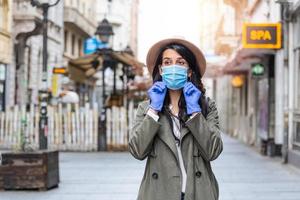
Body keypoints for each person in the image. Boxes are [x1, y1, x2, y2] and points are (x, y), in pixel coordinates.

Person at [129, 38, 223, 200]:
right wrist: (154, 111)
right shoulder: (146, 108)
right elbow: (137, 150)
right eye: (167, 62)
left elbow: (213, 151)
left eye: (180, 62)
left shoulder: (206, 106)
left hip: (199, 193)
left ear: (189, 71)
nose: (173, 67)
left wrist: (195, 113)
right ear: (161, 69)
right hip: (158, 193)